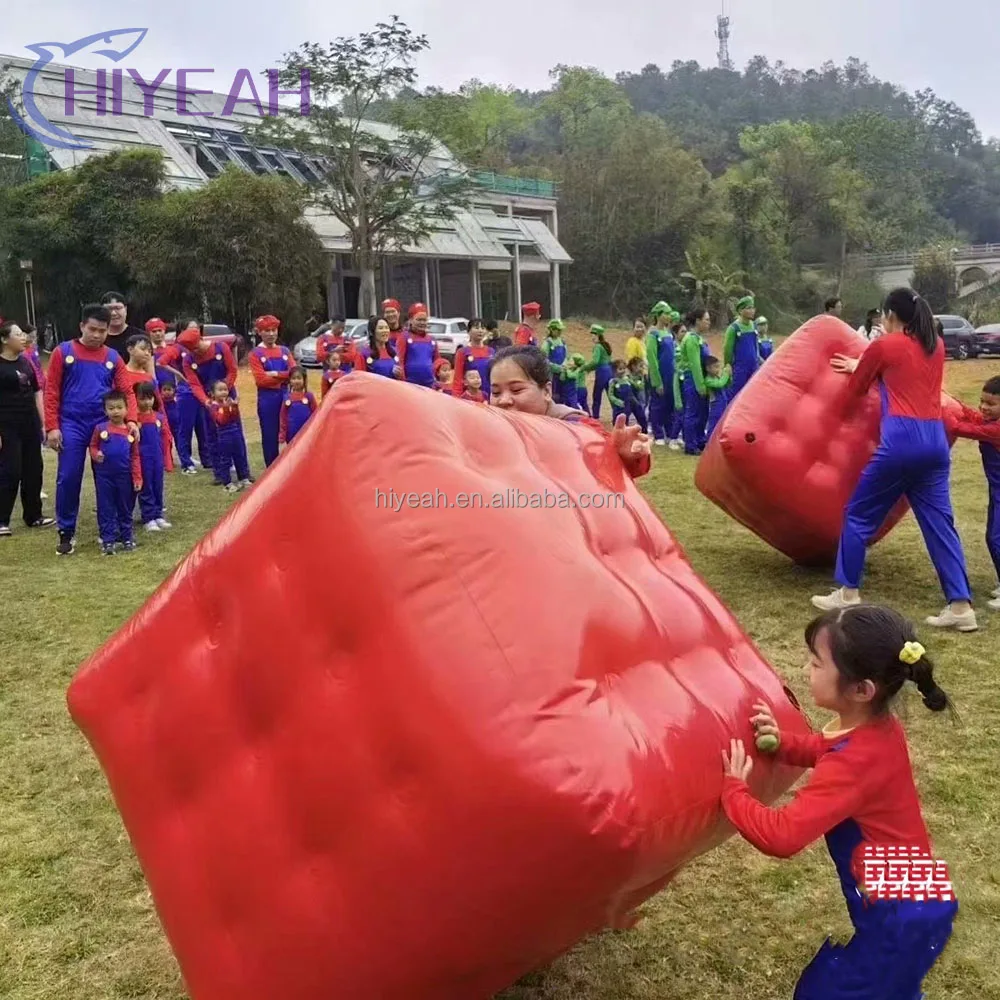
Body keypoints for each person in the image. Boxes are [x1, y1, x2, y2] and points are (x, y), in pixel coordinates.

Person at [722, 605, 958, 999]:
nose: (806, 670)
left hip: (898, 920)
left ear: (862, 690)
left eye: (816, 664)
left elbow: (782, 835)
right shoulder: (878, 728)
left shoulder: (851, 763)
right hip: (918, 900)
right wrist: (783, 744)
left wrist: (733, 792)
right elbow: (827, 747)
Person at [812, 288, 976, 631]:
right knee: (940, 525)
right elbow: (905, 376)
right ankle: (961, 605)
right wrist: (870, 366)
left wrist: (861, 367)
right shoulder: (935, 345)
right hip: (935, 444)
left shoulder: (885, 345)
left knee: (858, 514)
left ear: (889, 315)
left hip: (902, 441)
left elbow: (858, 388)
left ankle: (848, 592)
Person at [45, 304, 137, 556]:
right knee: (68, 476)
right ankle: (66, 532)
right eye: (92, 329)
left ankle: (111, 529)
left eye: (102, 331)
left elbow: (126, 391)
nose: (97, 335)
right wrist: (52, 426)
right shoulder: (63, 352)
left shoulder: (113, 357)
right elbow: (51, 390)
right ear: (82, 326)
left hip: (104, 423)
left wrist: (131, 419)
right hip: (71, 423)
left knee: (110, 477)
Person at [488, 346, 651, 479]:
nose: (503, 401)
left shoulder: (578, 427)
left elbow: (612, 473)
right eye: (496, 393)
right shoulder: (491, 433)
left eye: (516, 390)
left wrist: (624, 455)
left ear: (546, 391)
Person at [943, 375, 1000, 611]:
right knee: (993, 536)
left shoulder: (996, 429)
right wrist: (949, 399)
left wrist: (942, 410)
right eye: (982, 401)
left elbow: (959, 428)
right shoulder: (991, 421)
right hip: (996, 489)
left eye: (991, 404)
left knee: (996, 538)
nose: (984, 407)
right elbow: (974, 416)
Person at [0, 321, 52, 536]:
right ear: (4, 339)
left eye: (24, 334)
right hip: (7, 425)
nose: (24, 338)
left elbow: (37, 391)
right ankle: (2, 520)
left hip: (29, 423)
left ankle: (33, 515)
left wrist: (43, 423)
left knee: (33, 468)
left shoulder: (25, 362)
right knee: (11, 470)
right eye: (18, 334)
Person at [180, 326, 238, 484]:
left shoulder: (221, 348)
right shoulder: (188, 360)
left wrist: (224, 390)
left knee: (235, 432)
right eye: (192, 350)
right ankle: (219, 473)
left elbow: (232, 370)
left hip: (227, 396)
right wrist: (206, 401)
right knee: (212, 436)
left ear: (201, 339)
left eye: (197, 347)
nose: (196, 352)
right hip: (208, 401)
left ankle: (242, 470)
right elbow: (194, 384)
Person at [89, 389, 142, 555]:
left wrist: (137, 477)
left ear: (127, 409)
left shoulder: (130, 432)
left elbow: (135, 456)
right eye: (111, 408)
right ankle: (108, 540)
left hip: (124, 476)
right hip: (104, 477)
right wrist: (96, 454)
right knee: (106, 507)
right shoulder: (100, 428)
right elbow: (93, 446)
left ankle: (126, 537)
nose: (116, 411)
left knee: (125, 507)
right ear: (105, 410)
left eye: (119, 407)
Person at [153, 319, 203, 475]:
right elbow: (161, 363)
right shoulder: (176, 348)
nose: (195, 332)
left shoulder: (200, 347)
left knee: (202, 426)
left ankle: (205, 459)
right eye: (190, 329)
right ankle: (183, 461)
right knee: (181, 427)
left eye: (197, 329)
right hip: (181, 392)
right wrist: (180, 376)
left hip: (199, 391)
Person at [248, 315, 294, 468]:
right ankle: (272, 469)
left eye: (274, 330)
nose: (271, 334)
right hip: (267, 399)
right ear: (260, 332)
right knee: (270, 435)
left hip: (285, 395)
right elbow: (261, 380)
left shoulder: (284, 351)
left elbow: (295, 373)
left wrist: (275, 374)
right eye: (267, 330)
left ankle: (290, 467)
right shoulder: (256, 353)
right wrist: (284, 377)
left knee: (290, 430)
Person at [134, 381, 172, 533]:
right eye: (142, 398)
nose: (147, 402)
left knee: (158, 485)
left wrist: (166, 459)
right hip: (143, 458)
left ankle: (158, 514)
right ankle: (148, 517)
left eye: (150, 398)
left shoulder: (159, 417)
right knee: (146, 487)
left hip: (157, 457)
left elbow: (164, 438)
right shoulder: (135, 420)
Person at [208, 381, 252, 492]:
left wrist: (235, 406)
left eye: (225, 390)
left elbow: (234, 418)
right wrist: (227, 408)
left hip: (235, 432)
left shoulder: (229, 402)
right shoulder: (213, 406)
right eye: (220, 390)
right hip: (224, 435)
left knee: (239, 456)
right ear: (212, 393)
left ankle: (243, 478)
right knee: (225, 460)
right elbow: (221, 421)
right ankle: (227, 482)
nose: (224, 392)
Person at [677, 309, 711, 456]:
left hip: (702, 377)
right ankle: (690, 444)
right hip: (693, 379)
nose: (709, 322)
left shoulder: (699, 339)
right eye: (706, 319)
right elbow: (695, 364)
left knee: (703, 412)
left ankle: (700, 440)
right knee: (693, 412)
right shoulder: (691, 339)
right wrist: (700, 386)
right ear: (698, 321)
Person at [646, 302, 676, 447]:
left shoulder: (669, 334)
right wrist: (657, 381)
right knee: (658, 404)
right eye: (666, 313)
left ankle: (670, 432)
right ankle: (658, 433)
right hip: (660, 375)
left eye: (670, 313)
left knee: (670, 404)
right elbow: (652, 359)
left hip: (671, 375)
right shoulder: (653, 334)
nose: (669, 316)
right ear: (658, 315)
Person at [724, 296, 760, 397]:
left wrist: (758, 360)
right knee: (736, 394)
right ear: (740, 310)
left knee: (752, 394)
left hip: (753, 366)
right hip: (739, 368)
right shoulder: (733, 328)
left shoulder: (754, 325)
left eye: (753, 308)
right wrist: (728, 366)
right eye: (748, 308)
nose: (752, 311)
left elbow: (756, 345)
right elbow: (727, 350)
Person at [397, 304, 439, 388]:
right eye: (419, 320)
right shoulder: (404, 337)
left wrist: (437, 382)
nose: (422, 323)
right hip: (410, 385)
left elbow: (437, 362)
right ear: (411, 320)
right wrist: (403, 381)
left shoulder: (432, 340)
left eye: (424, 320)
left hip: (430, 385)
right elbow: (400, 360)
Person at [451, 318, 494, 397]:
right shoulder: (462, 352)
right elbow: (458, 378)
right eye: (476, 328)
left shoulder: (491, 351)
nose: (480, 331)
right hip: (471, 396)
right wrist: (457, 397)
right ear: (469, 331)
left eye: (483, 328)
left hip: (489, 394)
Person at [580, 324, 614, 420]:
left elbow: (595, 361)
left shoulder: (598, 346)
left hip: (602, 372)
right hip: (609, 371)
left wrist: (584, 368)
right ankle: (618, 414)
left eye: (593, 335)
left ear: (597, 335)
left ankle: (595, 417)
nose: (592, 337)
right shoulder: (606, 345)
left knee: (597, 395)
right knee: (611, 394)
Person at [279, 367, 317, 448]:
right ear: (290, 381)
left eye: (299, 378)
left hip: (307, 433)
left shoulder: (309, 396)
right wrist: (282, 437)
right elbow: (283, 417)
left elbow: (316, 414)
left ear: (304, 380)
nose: (296, 381)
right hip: (291, 434)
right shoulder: (287, 397)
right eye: (293, 378)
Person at [101, 292, 145, 359]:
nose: (113, 313)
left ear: (125, 309)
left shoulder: (140, 336)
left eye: (118, 308)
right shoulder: (96, 337)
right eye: (109, 309)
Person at [540, 319, 569, 403]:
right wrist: (556, 368)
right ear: (551, 330)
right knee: (554, 396)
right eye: (558, 330)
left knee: (564, 396)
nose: (560, 332)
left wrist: (564, 366)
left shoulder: (562, 341)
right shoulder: (547, 343)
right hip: (552, 375)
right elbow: (544, 360)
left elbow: (566, 356)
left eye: (561, 330)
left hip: (563, 374)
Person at [704, 356, 732, 442]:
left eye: (718, 367)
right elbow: (720, 384)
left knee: (721, 423)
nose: (718, 369)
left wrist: (729, 376)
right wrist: (726, 374)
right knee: (713, 424)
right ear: (708, 368)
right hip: (715, 406)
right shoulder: (708, 380)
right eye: (715, 367)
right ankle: (709, 441)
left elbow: (726, 384)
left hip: (723, 404)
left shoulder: (716, 377)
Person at [626, 357, 649, 432]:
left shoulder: (643, 377)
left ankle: (644, 433)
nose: (642, 368)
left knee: (642, 420)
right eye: (640, 366)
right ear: (633, 366)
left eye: (643, 366)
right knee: (627, 419)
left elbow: (644, 388)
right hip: (630, 403)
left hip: (640, 404)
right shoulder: (627, 378)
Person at [160, 380, 180, 463]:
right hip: (165, 426)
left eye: (169, 390)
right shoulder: (160, 404)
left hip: (176, 425)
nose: (167, 392)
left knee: (179, 442)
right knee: (167, 443)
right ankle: (168, 460)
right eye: (164, 390)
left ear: (174, 390)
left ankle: (184, 458)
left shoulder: (177, 402)